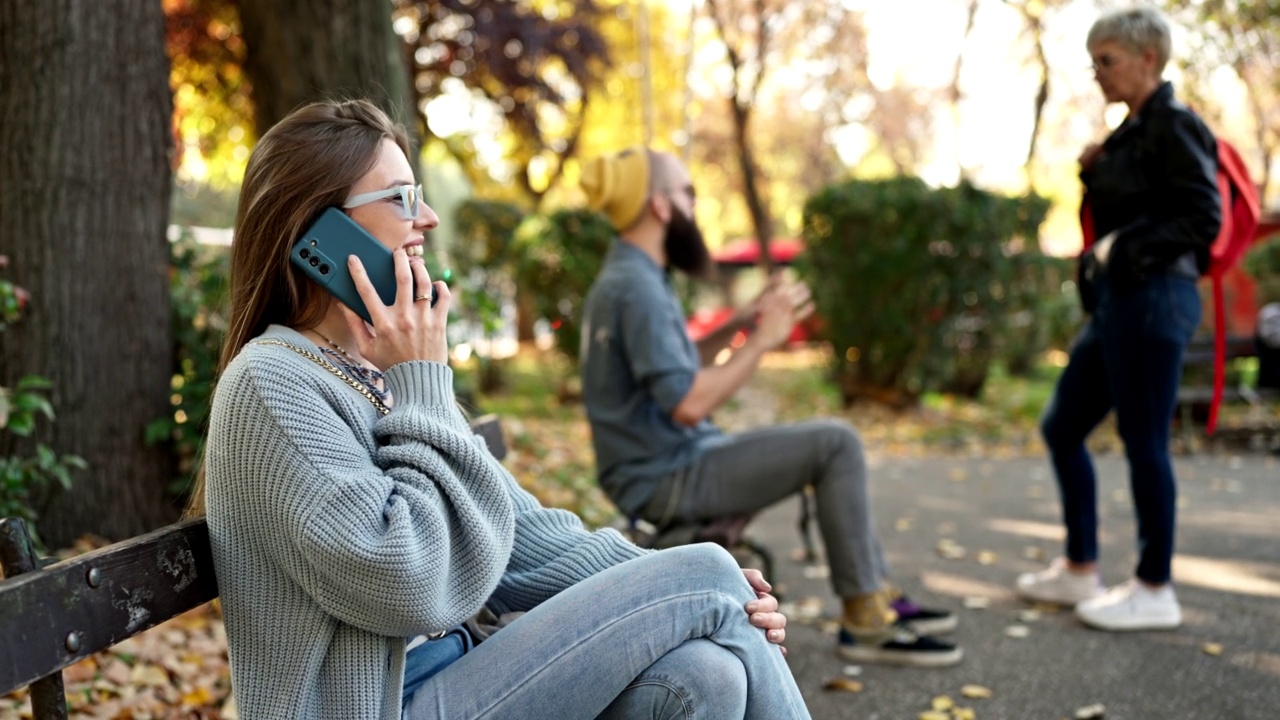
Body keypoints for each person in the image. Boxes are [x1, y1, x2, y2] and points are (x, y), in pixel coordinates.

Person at [189, 99, 811, 720]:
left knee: (706, 674)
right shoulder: (271, 386)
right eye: (401, 199)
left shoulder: (376, 375)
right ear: (319, 231)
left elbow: (526, 541)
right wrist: (422, 380)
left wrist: (667, 580)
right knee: (707, 571)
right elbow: (409, 583)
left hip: (459, 679)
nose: (428, 219)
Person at [577, 147, 962, 668]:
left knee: (832, 442)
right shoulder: (637, 287)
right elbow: (689, 404)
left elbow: (677, 368)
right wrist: (764, 342)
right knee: (836, 442)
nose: (695, 202)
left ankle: (875, 593)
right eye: (688, 192)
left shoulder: (633, 275)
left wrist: (744, 321)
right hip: (667, 478)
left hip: (669, 464)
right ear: (662, 206)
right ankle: (865, 618)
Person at [1016, 6, 1221, 632]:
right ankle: (1080, 567)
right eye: (1095, 61)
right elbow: (1128, 205)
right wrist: (1093, 170)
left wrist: (1117, 248)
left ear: (1148, 59)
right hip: (1118, 305)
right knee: (1063, 426)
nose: (1097, 73)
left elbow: (1202, 217)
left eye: (1107, 60)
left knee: (1144, 442)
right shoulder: (1131, 133)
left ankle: (1155, 587)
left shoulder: (1175, 124)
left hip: (1155, 299)